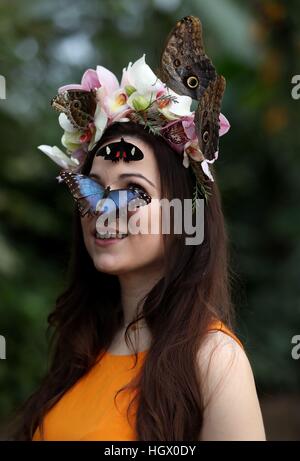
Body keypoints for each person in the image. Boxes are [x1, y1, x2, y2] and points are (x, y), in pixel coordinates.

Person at [10, 16, 266, 441]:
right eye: (94, 187)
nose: (104, 208)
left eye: (134, 190)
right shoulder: (81, 346)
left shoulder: (213, 360)